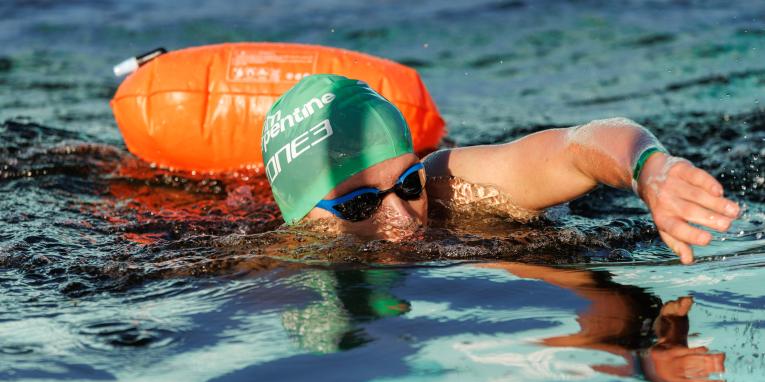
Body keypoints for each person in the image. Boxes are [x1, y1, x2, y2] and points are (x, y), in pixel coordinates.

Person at [261, 74, 740, 264]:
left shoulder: (450, 182)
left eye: (409, 184)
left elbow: (575, 146)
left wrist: (648, 169)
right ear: (299, 217)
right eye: (360, 203)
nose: (403, 219)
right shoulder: (259, 267)